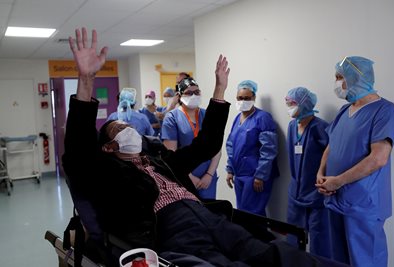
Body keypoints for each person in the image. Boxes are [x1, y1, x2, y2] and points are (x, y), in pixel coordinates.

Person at [64, 27, 350, 267]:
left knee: (270, 253)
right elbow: (77, 150)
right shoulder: (106, 172)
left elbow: (207, 145)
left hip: (206, 214)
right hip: (168, 225)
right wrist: (87, 80)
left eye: (129, 128)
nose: (129, 130)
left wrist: (219, 90)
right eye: (120, 130)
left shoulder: (161, 161)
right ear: (107, 147)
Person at [315, 56, 394, 267]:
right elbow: (331, 145)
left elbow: (378, 158)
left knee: (365, 261)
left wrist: (338, 181)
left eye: (339, 77)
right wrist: (321, 172)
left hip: (363, 204)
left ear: (356, 77)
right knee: (338, 261)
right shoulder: (344, 111)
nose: (336, 83)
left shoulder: (385, 111)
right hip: (336, 199)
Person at [285, 87, 331, 258]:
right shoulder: (291, 126)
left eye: (292, 103)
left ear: (304, 104)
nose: (289, 106)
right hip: (296, 192)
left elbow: (331, 157)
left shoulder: (320, 127)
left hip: (315, 194)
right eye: (287, 103)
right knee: (293, 237)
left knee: (320, 240)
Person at [225, 80, 279, 216]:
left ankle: (259, 238)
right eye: (240, 98)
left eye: (247, 98)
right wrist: (230, 169)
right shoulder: (238, 118)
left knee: (254, 214)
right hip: (240, 174)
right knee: (243, 213)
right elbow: (231, 145)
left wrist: (260, 175)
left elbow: (269, 149)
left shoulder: (263, 118)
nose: (243, 101)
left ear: (254, 98)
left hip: (255, 176)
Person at [161, 77, 221, 199]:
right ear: (179, 95)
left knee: (209, 213)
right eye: (189, 92)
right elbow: (170, 154)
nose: (193, 95)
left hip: (208, 177)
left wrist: (209, 174)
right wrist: (188, 177)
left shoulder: (208, 115)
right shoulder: (172, 118)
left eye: (197, 92)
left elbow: (217, 148)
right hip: (183, 177)